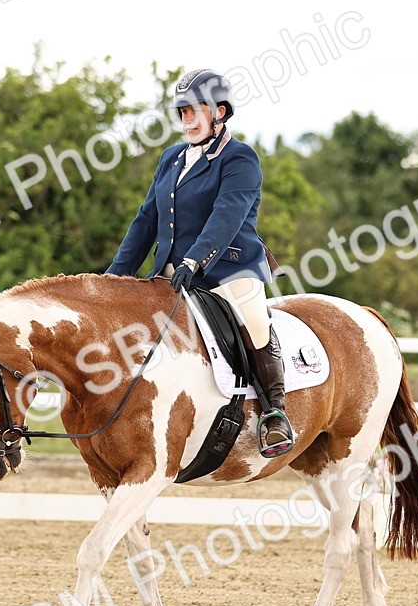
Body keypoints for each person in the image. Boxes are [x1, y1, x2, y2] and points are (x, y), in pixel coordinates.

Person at [106, 69, 294, 458]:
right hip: (173, 274)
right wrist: (113, 278)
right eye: (182, 113)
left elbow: (226, 216)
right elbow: (145, 222)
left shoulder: (240, 158)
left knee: (255, 321)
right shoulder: (171, 158)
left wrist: (196, 259)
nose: (186, 121)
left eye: (194, 112)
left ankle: (275, 412)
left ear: (219, 111)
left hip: (229, 270)